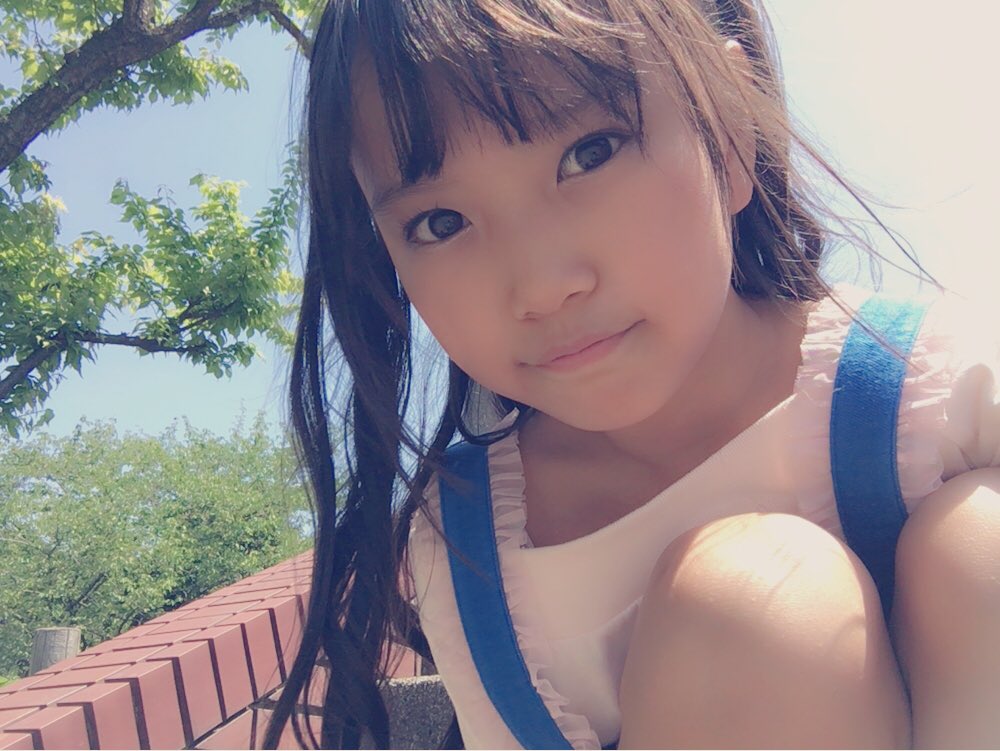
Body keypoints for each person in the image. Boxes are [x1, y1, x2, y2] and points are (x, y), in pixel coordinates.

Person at [264, 0, 1000, 748]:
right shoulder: (465, 554)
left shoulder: (935, 386)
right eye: (440, 223)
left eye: (591, 153)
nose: (541, 285)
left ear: (729, 125)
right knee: (751, 605)